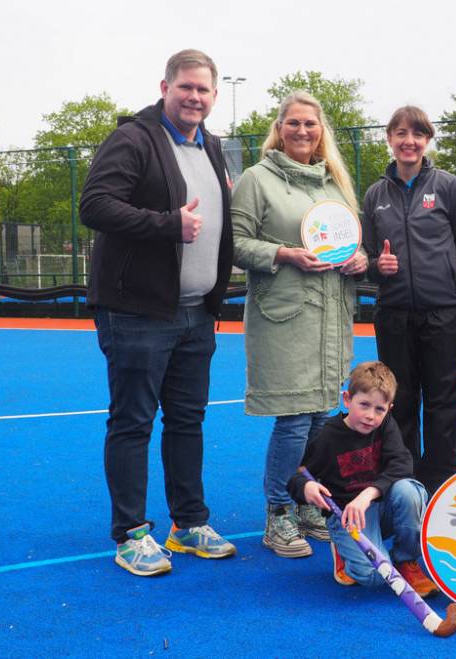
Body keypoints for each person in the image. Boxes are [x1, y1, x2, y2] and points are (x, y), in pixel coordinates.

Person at [79, 49, 237, 576]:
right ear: (165, 87)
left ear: (214, 96)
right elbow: (95, 205)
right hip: (137, 312)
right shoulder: (133, 138)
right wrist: (168, 224)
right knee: (133, 423)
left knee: (188, 421)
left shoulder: (211, 145)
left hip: (197, 314)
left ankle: (188, 524)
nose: (195, 97)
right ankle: (130, 534)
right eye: (185, 87)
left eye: (204, 89)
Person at [231, 91, 368, 559]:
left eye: (310, 123)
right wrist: (284, 254)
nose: (303, 131)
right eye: (293, 123)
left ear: (321, 130)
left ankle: (309, 505)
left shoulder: (334, 183)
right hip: (284, 318)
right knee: (293, 420)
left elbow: (348, 244)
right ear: (279, 128)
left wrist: (359, 259)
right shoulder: (257, 179)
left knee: (321, 419)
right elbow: (235, 244)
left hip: (331, 317)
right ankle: (278, 512)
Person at [361, 106, 456, 497]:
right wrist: (379, 266)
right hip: (394, 314)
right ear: (389, 138)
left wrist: (443, 279)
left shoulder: (448, 186)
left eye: (418, 134)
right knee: (399, 401)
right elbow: (366, 258)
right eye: (401, 133)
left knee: (443, 405)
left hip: (445, 313)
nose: (409, 141)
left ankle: (438, 490)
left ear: (427, 140)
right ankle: (404, 489)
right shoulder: (375, 194)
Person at [287, 361, 437, 596]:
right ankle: (343, 549)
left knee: (410, 491)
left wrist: (368, 494)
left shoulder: (385, 425)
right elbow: (296, 478)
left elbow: (403, 464)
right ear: (347, 399)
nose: (370, 416)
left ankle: (406, 560)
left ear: (389, 409)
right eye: (364, 405)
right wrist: (307, 487)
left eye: (379, 409)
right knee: (375, 576)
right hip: (349, 518)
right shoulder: (328, 436)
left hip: (380, 506)